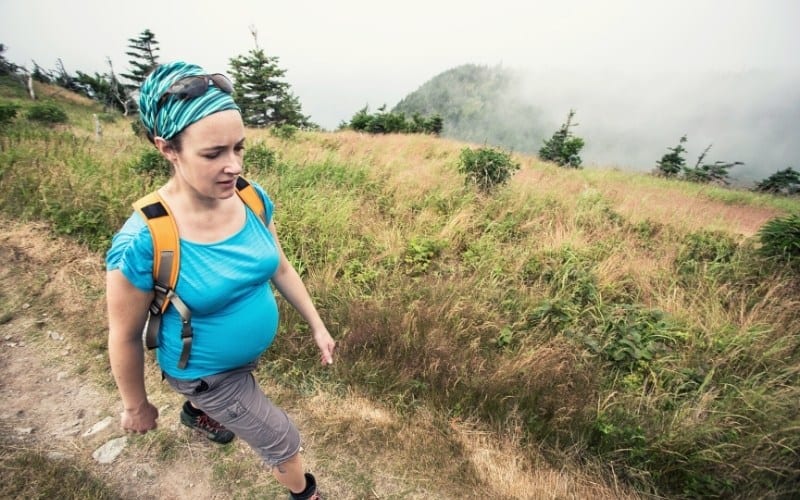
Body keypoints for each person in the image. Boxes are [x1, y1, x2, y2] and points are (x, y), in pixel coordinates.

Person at [106, 61, 335, 500]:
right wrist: (135, 406)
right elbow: (123, 336)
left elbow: (280, 267)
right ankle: (305, 495)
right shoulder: (144, 240)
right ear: (167, 148)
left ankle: (199, 414)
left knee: (240, 401)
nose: (233, 166)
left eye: (239, 148)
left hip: (240, 360)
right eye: (213, 154)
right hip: (206, 373)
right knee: (281, 438)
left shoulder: (249, 196)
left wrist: (316, 324)